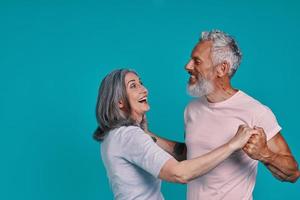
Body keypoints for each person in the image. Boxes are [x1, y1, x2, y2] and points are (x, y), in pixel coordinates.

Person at [94, 69, 257, 200]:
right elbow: (180, 173)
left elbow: (182, 155)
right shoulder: (129, 136)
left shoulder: (115, 136)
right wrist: (232, 145)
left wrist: (147, 133)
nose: (144, 89)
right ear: (119, 102)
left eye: (141, 83)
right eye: (133, 86)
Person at [183, 30, 300, 199]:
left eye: (197, 61)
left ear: (222, 69)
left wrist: (264, 154)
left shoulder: (255, 112)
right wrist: (149, 137)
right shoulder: (191, 109)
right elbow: (192, 157)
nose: (188, 66)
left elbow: (293, 173)